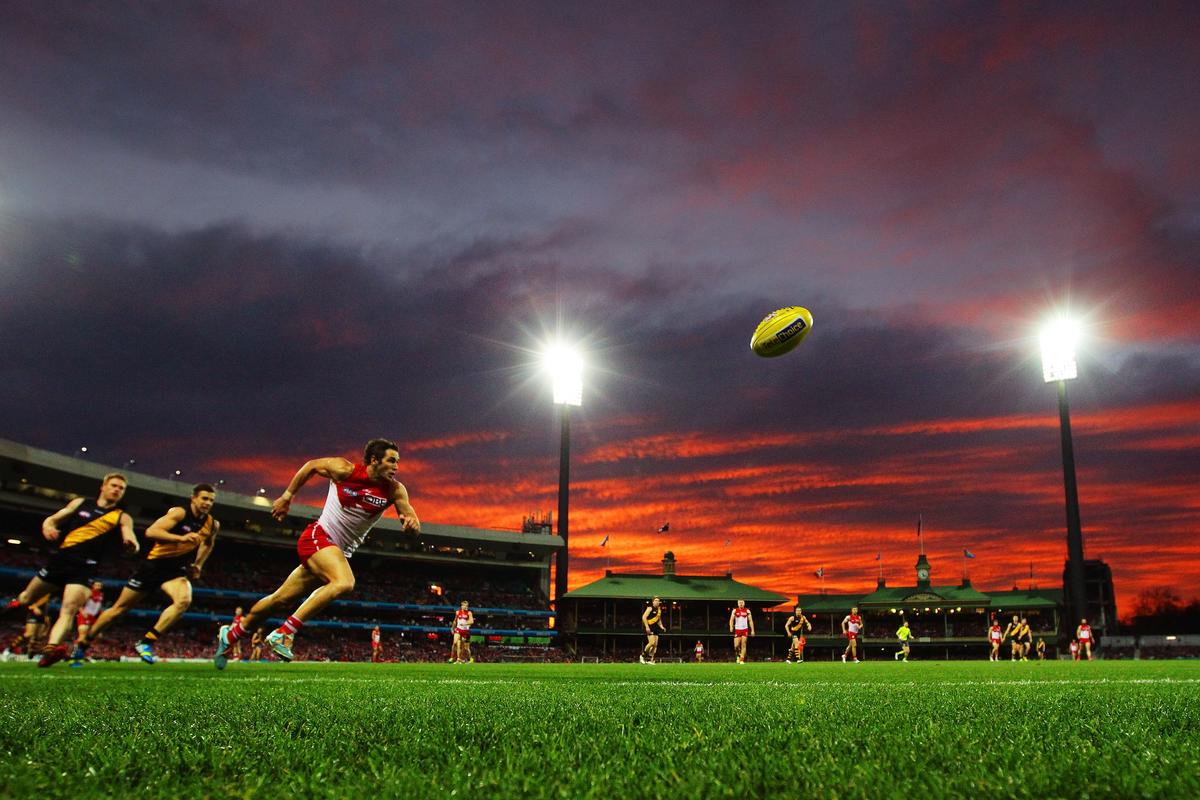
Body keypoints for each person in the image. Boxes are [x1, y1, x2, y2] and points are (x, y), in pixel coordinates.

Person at [213, 439, 420, 669]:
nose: (396, 467)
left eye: (397, 462)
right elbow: (311, 465)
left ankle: (230, 635)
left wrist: (412, 525)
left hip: (334, 552)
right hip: (318, 536)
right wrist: (287, 496)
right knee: (344, 582)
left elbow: (410, 517)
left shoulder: (394, 490)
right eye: (391, 460)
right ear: (374, 460)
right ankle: (285, 632)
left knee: (280, 599)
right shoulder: (344, 469)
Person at [2, 473, 138, 667]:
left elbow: (130, 536)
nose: (117, 490)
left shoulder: (122, 517)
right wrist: (48, 526)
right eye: (114, 485)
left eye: (121, 488)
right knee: (26, 599)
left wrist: (132, 544)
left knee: (69, 610)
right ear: (103, 486)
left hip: (85, 569)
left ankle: (50, 649)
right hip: (60, 562)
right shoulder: (80, 504)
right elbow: (53, 519)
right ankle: (12, 607)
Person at [73, 484, 219, 665]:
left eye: (211, 500)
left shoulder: (212, 524)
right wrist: (181, 538)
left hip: (175, 572)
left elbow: (209, 543)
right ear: (194, 498)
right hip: (153, 567)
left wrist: (198, 564)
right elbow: (151, 532)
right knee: (118, 610)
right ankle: (83, 644)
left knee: (184, 600)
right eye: (204, 498)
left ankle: (146, 642)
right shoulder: (179, 514)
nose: (207, 503)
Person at [74, 581, 105, 647]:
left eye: (100, 585)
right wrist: (82, 612)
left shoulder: (101, 595)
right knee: (82, 635)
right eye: (97, 585)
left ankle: (84, 649)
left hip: (93, 617)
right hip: (85, 615)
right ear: (93, 586)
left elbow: (98, 605)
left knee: (98, 636)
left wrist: (101, 612)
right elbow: (79, 603)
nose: (99, 586)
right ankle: (76, 651)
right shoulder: (89, 592)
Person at [640, 596, 666, 664]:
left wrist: (662, 626)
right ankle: (642, 656)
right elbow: (644, 617)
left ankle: (651, 660)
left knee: (655, 645)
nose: (657, 602)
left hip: (656, 628)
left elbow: (659, 620)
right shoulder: (650, 608)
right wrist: (647, 627)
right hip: (650, 627)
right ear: (653, 601)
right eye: (656, 600)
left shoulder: (659, 610)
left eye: (658, 601)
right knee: (651, 643)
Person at [729, 599, 754, 664]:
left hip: (745, 629)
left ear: (744, 603)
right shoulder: (735, 610)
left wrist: (752, 630)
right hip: (737, 630)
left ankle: (741, 659)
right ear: (737, 604)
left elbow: (750, 621)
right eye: (739, 602)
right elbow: (731, 620)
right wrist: (731, 626)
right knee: (736, 646)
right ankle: (738, 655)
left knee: (744, 644)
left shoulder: (747, 611)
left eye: (742, 602)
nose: (741, 604)